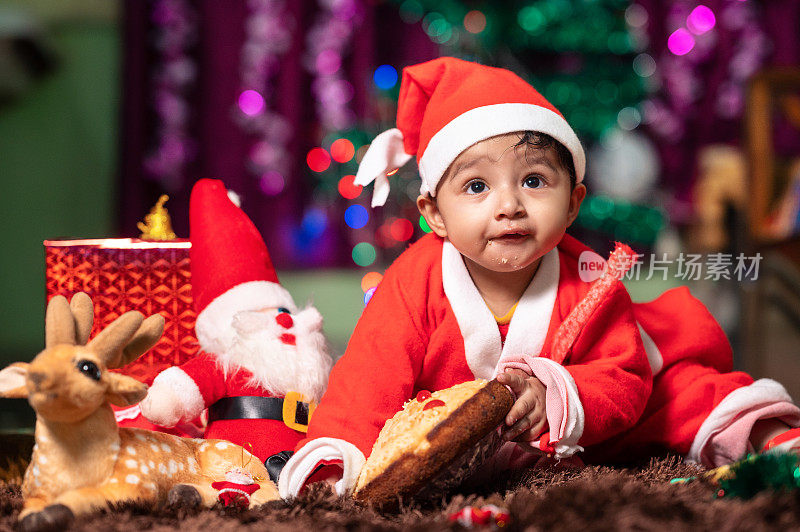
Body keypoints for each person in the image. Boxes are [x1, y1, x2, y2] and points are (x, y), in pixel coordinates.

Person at [278, 57, 800, 498]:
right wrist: (333, 460)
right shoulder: (413, 283)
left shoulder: (590, 280)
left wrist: (556, 394)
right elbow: (367, 381)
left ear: (573, 202)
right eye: (477, 186)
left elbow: (624, 378)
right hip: (449, 447)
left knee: (679, 391)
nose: (509, 205)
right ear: (434, 215)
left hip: (582, 435)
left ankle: (772, 436)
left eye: (533, 180)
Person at [141, 179, 333, 483]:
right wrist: (165, 399)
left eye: (283, 311)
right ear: (225, 327)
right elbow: (183, 388)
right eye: (260, 313)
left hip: (305, 467)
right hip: (235, 467)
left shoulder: (310, 370)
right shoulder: (224, 364)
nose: (282, 322)